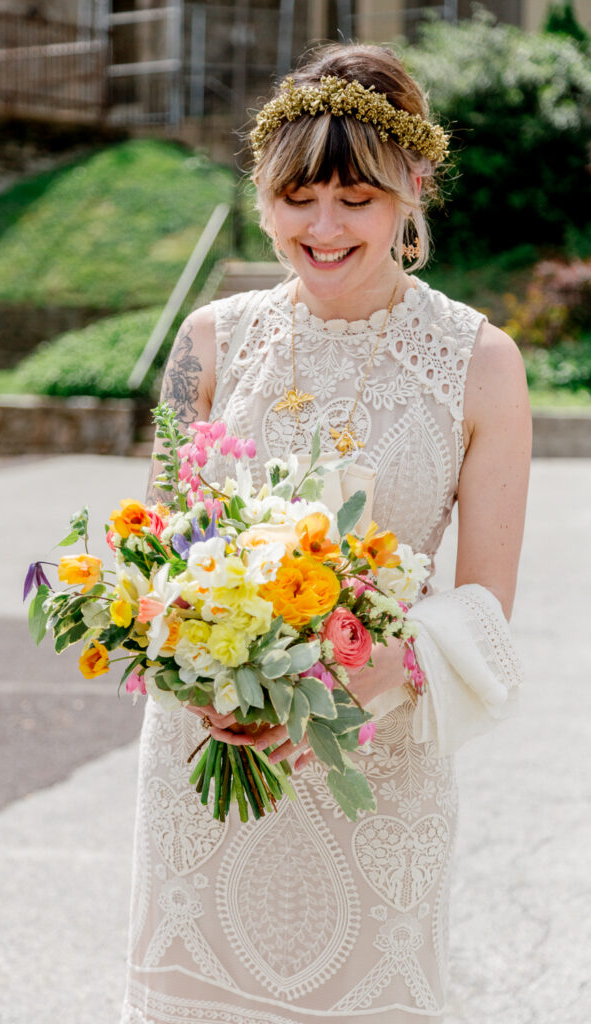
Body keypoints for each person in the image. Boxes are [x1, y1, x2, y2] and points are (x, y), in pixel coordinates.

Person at [120, 43, 531, 1024]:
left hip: (373, 780)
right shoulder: (204, 346)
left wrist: (355, 684)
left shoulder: (480, 363)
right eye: (298, 195)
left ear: (412, 187)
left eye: (355, 197)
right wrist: (202, 671)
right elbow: (156, 559)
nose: (323, 226)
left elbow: (484, 614)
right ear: (263, 195)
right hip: (205, 772)